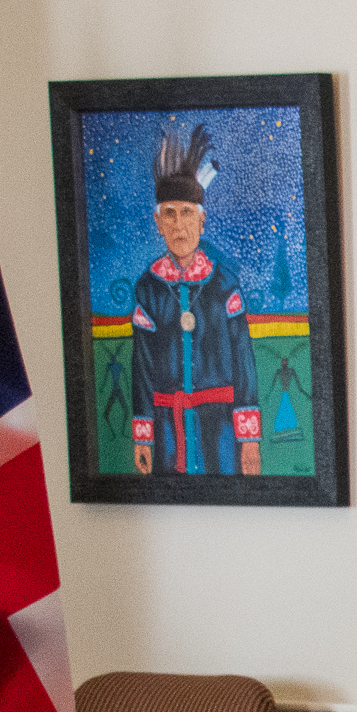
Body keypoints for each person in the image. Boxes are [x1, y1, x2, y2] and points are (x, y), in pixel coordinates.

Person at [131, 124, 262, 476]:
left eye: (187, 213)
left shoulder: (224, 285)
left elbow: (244, 363)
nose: (179, 226)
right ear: (158, 223)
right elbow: (141, 367)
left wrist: (249, 440)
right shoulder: (149, 288)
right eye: (169, 214)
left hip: (218, 430)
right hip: (166, 431)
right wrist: (142, 437)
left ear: (202, 221)